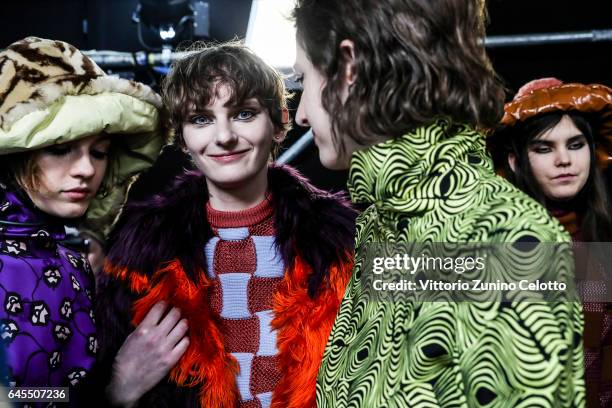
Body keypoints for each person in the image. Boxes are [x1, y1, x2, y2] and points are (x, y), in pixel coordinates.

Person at [291, 1, 585, 406]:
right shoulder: (382, 220)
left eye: (303, 78)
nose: (301, 115)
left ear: (349, 69)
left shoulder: (503, 240)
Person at [95, 42, 356, 408]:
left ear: (280, 123)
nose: (224, 136)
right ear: (183, 139)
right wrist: (118, 389)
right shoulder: (139, 252)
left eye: (244, 114)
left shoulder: (345, 240)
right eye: (201, 119)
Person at [0, 37, 164, 399]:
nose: (87, 169)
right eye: (61, 149)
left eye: (101, 152)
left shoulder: (73, 261)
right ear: (14, 155)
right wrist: (118, 389)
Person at [490, 77, 612, 407]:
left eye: (575, 144)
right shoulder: (494, 247)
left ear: (592, 150)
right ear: (516, 162)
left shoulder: (602, 241)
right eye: (544, 148)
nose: (564, 160)